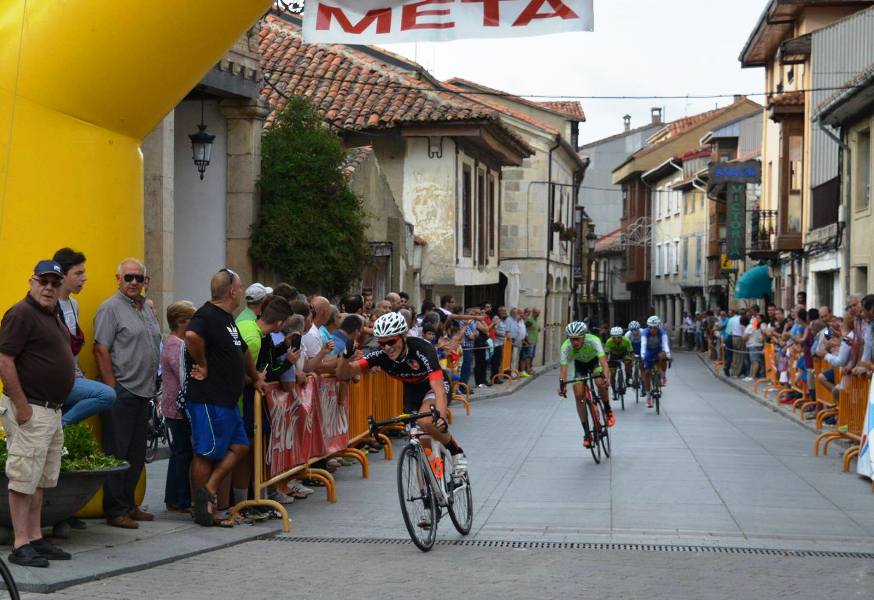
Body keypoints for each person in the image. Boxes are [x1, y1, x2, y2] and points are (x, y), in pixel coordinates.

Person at [336, 312, 467, 527]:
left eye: (392, 342)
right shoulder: (380, 355)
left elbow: (438, 389)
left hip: (434, 386)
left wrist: (441, 418)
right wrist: (345, 357)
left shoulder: (422, 349)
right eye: (382, 343)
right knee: (419, 444)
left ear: (403, 337)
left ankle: (455, 451)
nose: (387, 347)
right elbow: (344, 374)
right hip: (412, 393)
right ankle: (429, 505)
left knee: (425, 423)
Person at [0, 260, 74, 567]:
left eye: (55, 283)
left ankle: (34, 536)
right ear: (32, 281)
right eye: (43, 281)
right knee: (23, 478)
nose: (49, 288)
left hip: (51, 410)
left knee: (40, 479)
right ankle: (20, 544)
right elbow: (4, 359)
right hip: (32, 408)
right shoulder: (21, 313)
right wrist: (22, 406)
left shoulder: (51, 314)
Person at [185, 269, 267, 527]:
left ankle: (208, 489)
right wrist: (202, 363)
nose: (241, 291)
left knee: (240, 446)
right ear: (232, 291)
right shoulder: (206, 315)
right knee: (206, 452)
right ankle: (202, 507)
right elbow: (191, 336)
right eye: (240, 287)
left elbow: (243, 351)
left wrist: (255, 377)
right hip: (209, 398)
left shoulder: (227, 318)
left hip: (228, 400)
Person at [93, 258, 162, 529]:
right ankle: (115, 510)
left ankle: (130, 504)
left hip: (143, 391)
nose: (134, 282)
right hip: (122, 390)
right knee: (117, 452)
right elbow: (100, 348)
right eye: (129, 277)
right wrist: (111, 387)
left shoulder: (145, 307)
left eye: (139, 278)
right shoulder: (110, 308)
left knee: (135, 453)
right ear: (118, 279)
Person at [52, 248, 116, 428]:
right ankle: (59, 427)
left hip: (74, 375)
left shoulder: (74, 304)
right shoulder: (49, 306)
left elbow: (73, 347)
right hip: (58, 379)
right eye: (78, 273)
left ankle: (59, 428)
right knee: (107, 395)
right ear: (62, 275)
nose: (84, 278)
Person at [160, 301, 196, 513]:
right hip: (177, 408)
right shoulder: (176, 345)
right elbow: (183, 374)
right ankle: (178, 499)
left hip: (176, 406)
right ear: (182, 322)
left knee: (181, 452)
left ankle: (176, 498)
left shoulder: (176, 342)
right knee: (182, 453)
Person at [558, 322, 614, 450]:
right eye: (571, 339)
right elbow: (563, 370)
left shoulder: (594, 340)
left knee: (600, 382)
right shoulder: (566, 346)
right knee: (579, 396)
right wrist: (562, 385)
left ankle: (607, 410)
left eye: (577, 339)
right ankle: (587, 434)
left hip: (595, 363)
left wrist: (606, 378)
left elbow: (604, 363)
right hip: (580, 367)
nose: (574, 342)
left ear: (584, 336)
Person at [639, 315, 672, 408]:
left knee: (664, 356)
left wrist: (668, 356)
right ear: (648, 327)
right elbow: (643, 345)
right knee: (647, 373)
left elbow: (665, 345)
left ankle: (663, 375)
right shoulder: (645, 333)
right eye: (651, 327)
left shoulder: (662, 333)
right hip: (649, 352)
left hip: (658, 351)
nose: (653, 330)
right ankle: (648, 397)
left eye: (655, 328)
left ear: (658, 327)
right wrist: (643, 356)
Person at [605, 326, 634, 390]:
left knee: (628, 362)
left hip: (624, 354)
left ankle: (628, 378)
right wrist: (606, 363)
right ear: (611, 337)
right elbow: (606, 354)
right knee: (612, 374)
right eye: (614, 338)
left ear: (621, 336)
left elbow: (631, 352)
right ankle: (613, 389)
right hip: (614, 356)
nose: (616, 339)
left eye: (618, 337)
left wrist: (632, 361)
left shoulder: (626, 340)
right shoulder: (609, 342)